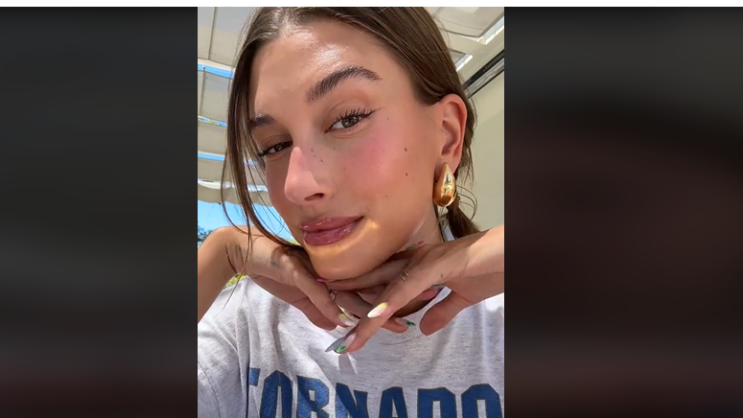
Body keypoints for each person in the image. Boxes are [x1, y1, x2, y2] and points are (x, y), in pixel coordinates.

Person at [198, 7, 504, 418]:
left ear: (447, 135)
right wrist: (222, 254)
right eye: (275, 146)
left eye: (347, 120)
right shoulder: (248, 325)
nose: (296, 186)